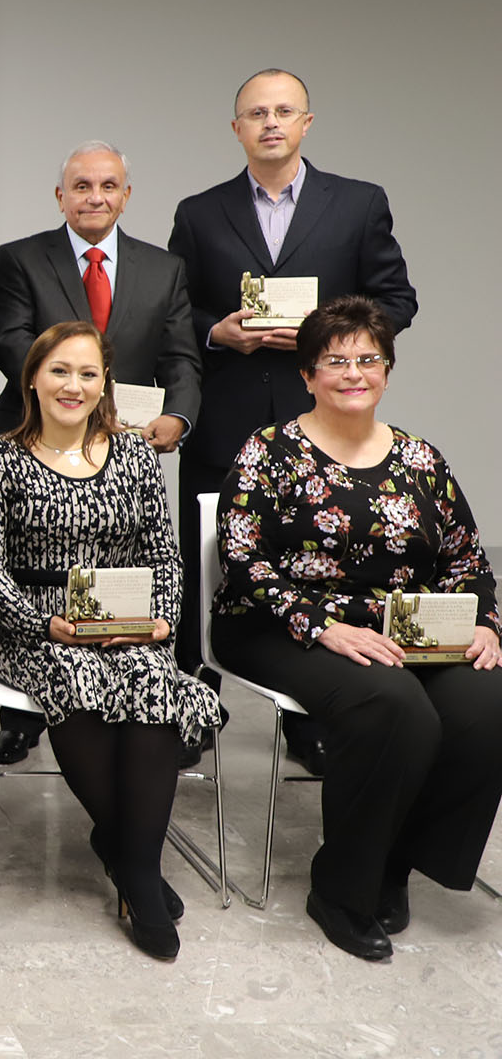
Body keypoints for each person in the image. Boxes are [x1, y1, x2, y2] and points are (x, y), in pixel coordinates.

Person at [211, 296, 501, 962]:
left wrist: (485, 622)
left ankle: (395, 860)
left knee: (489, 703)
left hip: (404, 629)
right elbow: (242, 558)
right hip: (276, 626)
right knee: (394, 707)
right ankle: (341, 891)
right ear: (308, 374)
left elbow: (465, 556)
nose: (353, 372)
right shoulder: (269, 452)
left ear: (388, 372)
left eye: (367, 359)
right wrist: (321, 626)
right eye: (334, 360)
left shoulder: (421, 457)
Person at [170, 69, 418, 755]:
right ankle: (195, 705)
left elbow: (396, 301)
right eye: (256, 113)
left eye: (284, 111)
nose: (270, 122)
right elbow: (170, 308)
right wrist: (217, 332)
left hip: (327, 425)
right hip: (226, 415)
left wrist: (334, 335)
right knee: (207, 560)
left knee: (324, 562)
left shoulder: (359, 204)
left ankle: (310, 714)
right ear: (237, 128)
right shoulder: (200, 211)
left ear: (307, 122)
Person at [0, 320, 219, 960]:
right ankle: (137, 869)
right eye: (58, 371)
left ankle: (124, 851)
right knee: (77, 681)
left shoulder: (134, 455)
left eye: (86, 373)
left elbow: (164, 552)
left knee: (156, 688)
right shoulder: (0, 457)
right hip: (35, 624)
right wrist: (43, 623)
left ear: (105, 382)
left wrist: (161, 617)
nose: (72, 385)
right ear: (32, 378)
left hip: (128, 620)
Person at [0, 141, 200, 767]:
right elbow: (13, 342)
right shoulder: (22, 258)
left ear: (127, 195)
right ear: (61, 196)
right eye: (81, 186)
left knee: (114, 563)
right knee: (39, 558)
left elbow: (182, 357)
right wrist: (72, 393)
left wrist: (176, 417)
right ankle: (26, 715)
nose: (95, 196)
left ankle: (128, 709)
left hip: (127, 448)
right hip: (38, 437)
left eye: (108, 185)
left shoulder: (165, 269)